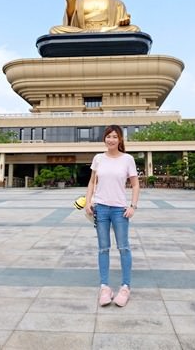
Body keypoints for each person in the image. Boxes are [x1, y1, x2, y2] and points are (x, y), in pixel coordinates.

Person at [85, 124, 140, 307]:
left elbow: (135, 184)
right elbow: (92, 182)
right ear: (105, 138)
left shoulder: (127, 159)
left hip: (119, 210)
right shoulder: (98, 158)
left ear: (120, 139)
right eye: (108, 136)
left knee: (123, 247)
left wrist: (133, 206)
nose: (111, 140)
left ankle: (125, 287)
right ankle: (104, 287)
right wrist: (88, 202)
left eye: (115, 136)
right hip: (100, 208)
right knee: (103, 248)